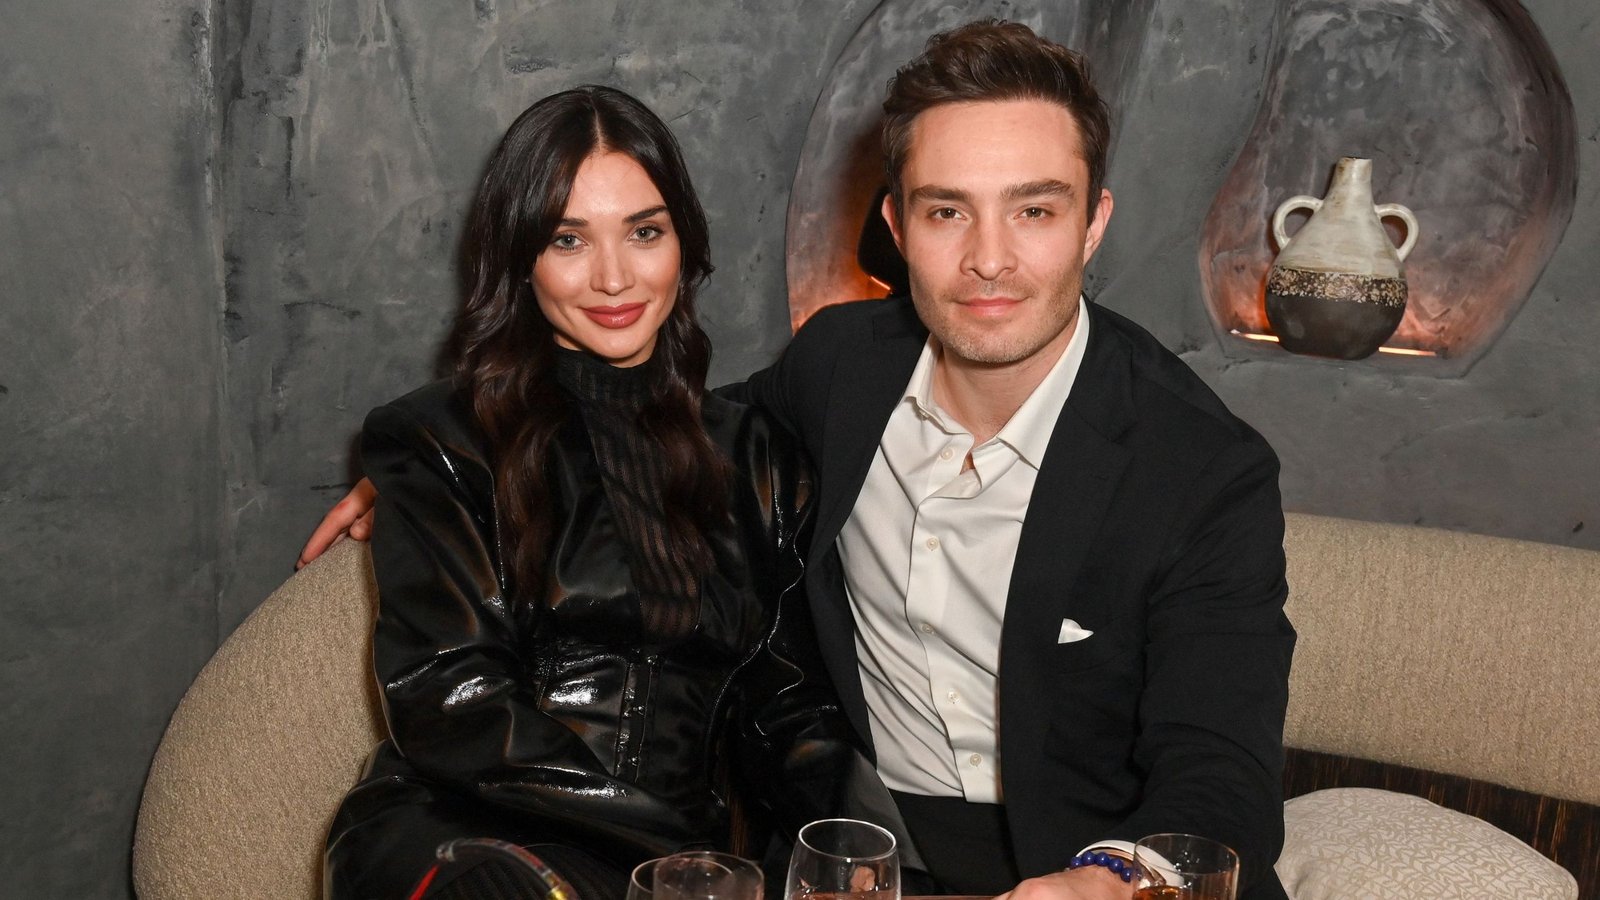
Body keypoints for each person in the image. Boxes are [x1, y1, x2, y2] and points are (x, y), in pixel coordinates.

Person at [306, 21, 1295, 900]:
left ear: (1094, 222)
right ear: (897, 225)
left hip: (1075, 861)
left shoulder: (1202, 470)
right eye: (947, 211)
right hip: (840, 849)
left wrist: (1117, 878)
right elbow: (646, 432)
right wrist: (450, 450)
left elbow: (1220, 771)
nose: (989, 259)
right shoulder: (839, 373)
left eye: (1034, 210)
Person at [320, 85, 920, 900]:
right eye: (568, 239)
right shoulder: (440, 439)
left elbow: (794, 713)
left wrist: (877, 863)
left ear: (684, 243)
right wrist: (685, 845)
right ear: (520, 257)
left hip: (678, 867)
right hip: (467, 836)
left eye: (644, 232)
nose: (613, 277)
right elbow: (456, 703)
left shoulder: (758, 460)